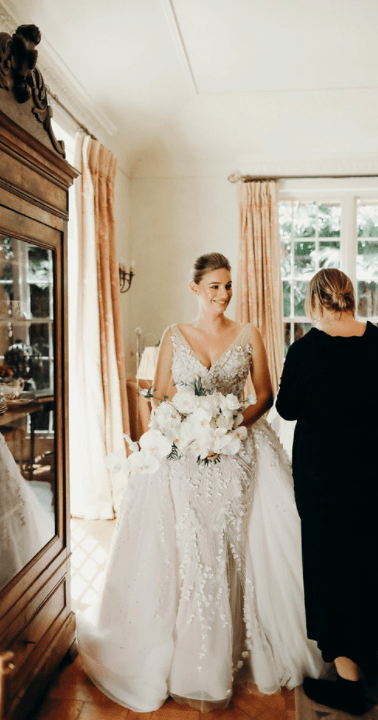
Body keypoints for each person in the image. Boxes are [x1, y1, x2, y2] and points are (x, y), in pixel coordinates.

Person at [77, 252, 323, 712]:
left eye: (228, 286)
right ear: (195, 288)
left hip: (237, 451)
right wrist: (181, 432)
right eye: (214, 287)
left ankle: (226, 654)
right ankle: (185, 657)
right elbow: (161, 396)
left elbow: (265, 395)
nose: (223, 295)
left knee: (227, 540)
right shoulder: (175, 335)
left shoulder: (248, 334)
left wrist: (231, 425)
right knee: (189, 546)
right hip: (183, 454)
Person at [276, 268, 378, 716]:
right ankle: (365, 656)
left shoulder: (305, 350)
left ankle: (350, 686)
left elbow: (287, 407)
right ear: (351, 298)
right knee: (371, 568)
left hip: (330, 485)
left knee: (335, 574)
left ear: (315, 301)